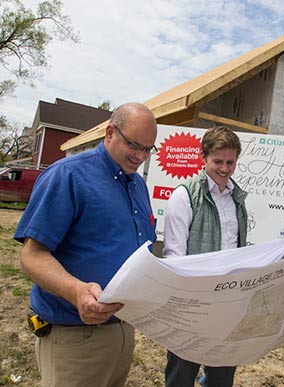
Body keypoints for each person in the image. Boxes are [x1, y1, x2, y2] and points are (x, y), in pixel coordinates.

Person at [14, 102, 158, 387]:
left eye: (148, 149)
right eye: (134, 145)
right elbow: (31, 256)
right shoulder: (68, 176)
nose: (140, 156)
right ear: (109, 133)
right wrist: (77, 291)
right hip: (75, 336)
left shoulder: (137, 184)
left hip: (122, 331)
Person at [163, 126, 248, 387]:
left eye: (230, 162)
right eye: (217, 161)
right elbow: (174, 257)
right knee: (181, 375)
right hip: (192, 305)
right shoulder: (184, 195)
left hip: (227, 303)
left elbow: (237, 248)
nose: (224, 168)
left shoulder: (237, 198)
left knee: (222, 377)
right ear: (203, 158)